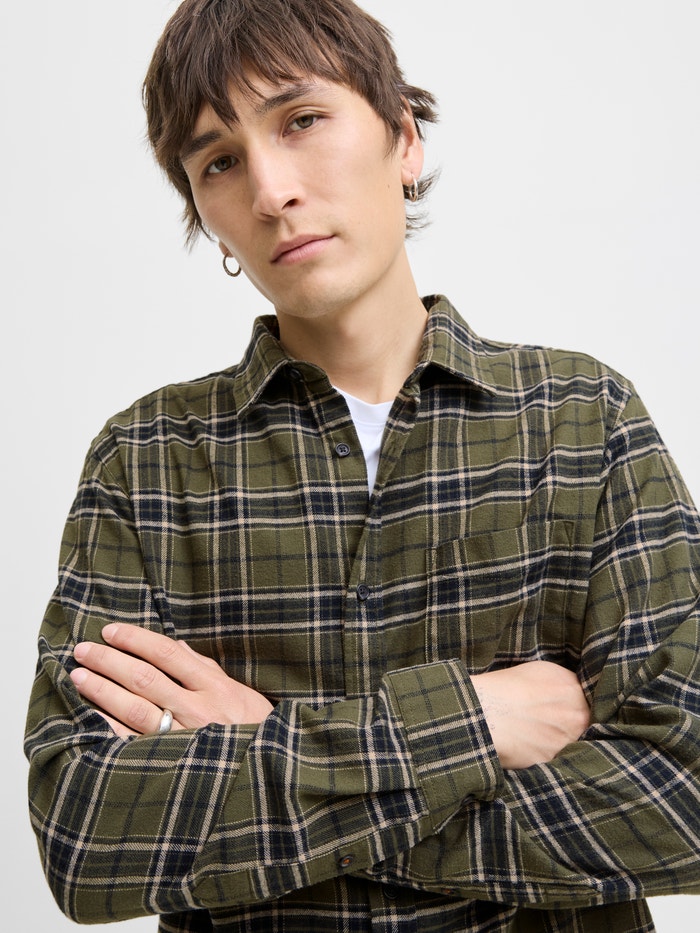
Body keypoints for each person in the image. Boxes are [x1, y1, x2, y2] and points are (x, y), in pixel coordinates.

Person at [24, 1, 700, 931]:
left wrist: (268, 748)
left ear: (404, 139)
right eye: (219, 162)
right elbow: (86, 834)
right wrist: (469, 722)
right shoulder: (145, 462)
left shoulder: (584, 418)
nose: (271, 192)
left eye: (302, 120)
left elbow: (682, 793)